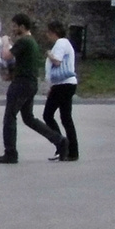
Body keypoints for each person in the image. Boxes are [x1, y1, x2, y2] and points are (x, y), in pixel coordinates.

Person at [0, 12, 66, 164]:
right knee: (28, 118)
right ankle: (59, 141)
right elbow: (23, 64)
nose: (12, 29)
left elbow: (6, 56)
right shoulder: (31, 42)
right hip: (30, 83)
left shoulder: (24, 41)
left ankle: (10, 153)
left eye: (14, 26)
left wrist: (5, 42)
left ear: (22, 27)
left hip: (21, 84)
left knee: (9, 117)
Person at [43, 20, 80, 162]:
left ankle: (61, 144)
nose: (47, 36)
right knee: (66, 118)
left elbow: (57, 62)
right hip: (66, 84)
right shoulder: (66, 43)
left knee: (48, 115)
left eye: (48, 33)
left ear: (54, 33)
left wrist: (49, 54)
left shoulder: (61, 43)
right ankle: (72, 151)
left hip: (62, 85)